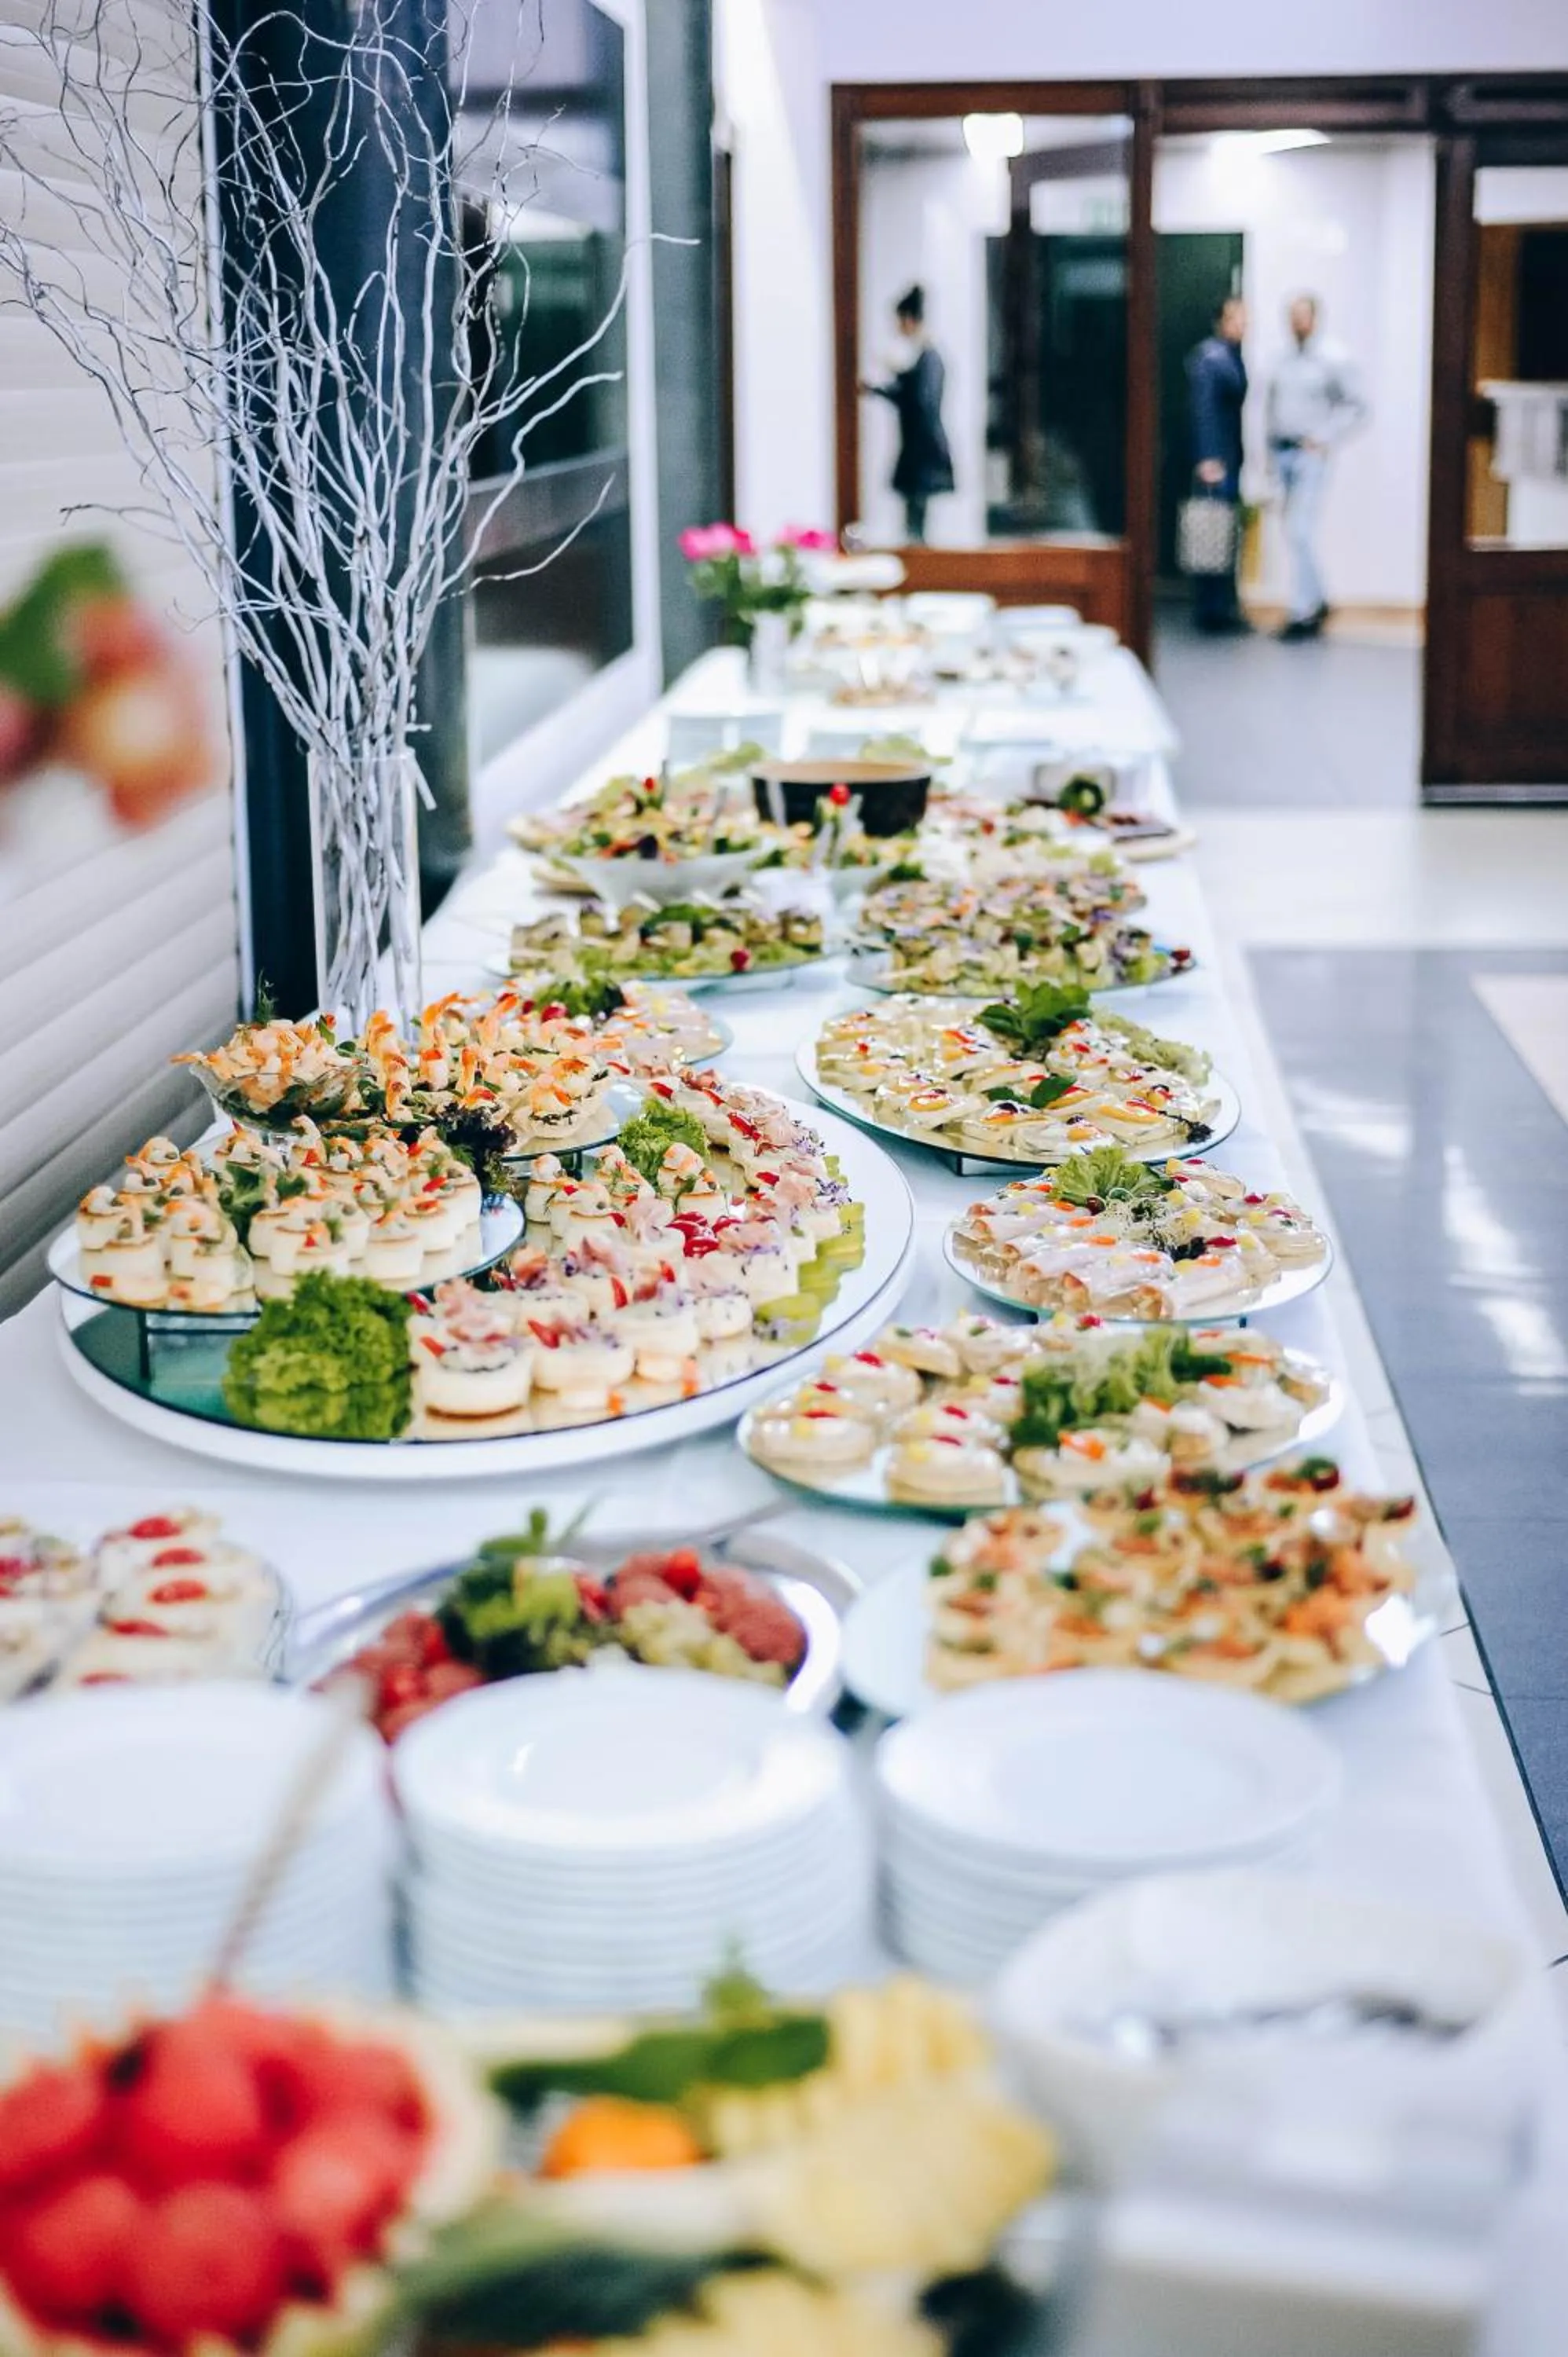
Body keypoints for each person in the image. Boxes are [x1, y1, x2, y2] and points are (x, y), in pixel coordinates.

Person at [1267, 293, 1368, 640]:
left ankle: (1302, 613)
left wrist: (1324, 437)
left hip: (1311, 455)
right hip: (1282, 453)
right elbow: (1271, 407)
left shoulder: (1334, 358)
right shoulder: (1281, 359)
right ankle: (1319, 598)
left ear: (1315, 318)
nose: (1297, 322)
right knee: (1294, 533)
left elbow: (1359, 406)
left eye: (1302, 315)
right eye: (1291, 315)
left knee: (1300, 530)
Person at [861, 285, 954, 545]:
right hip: (917, 447)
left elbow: (920, 401)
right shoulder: (924, 359)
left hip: (923, 448)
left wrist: (897, 377)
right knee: (913, 518)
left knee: (917, 519)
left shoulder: (930, 359)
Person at [1184, 293, 1249, 635]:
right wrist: (1208, 457)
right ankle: (1212, 609)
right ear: (1221, 321)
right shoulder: (1210, 358)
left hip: (1229, 455)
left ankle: (1221, 606)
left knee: (1224, 530)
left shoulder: (1231, 357)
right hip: (1217, 458)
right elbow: (1203, 410)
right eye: (1236, 318)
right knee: (1213, 529)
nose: (1243, 325)